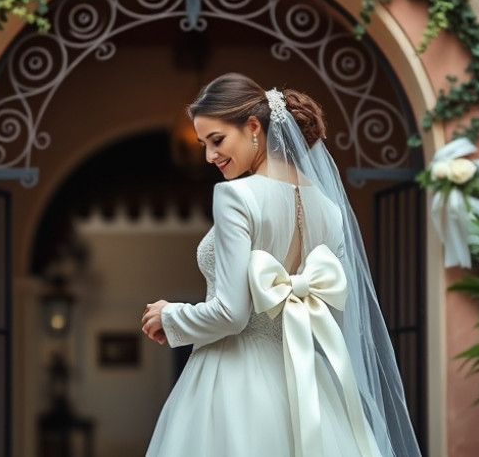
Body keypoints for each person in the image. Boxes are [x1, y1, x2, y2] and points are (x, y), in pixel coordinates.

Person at [140, 73, 422, 457]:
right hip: (307, 384)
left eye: (217, 140)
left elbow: (231, 314)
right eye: (204, 144)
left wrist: (170, 315)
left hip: (232, 378)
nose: (209, 156)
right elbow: (333, 315)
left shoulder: (235, 196)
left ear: (253, 127)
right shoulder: (330, 209)